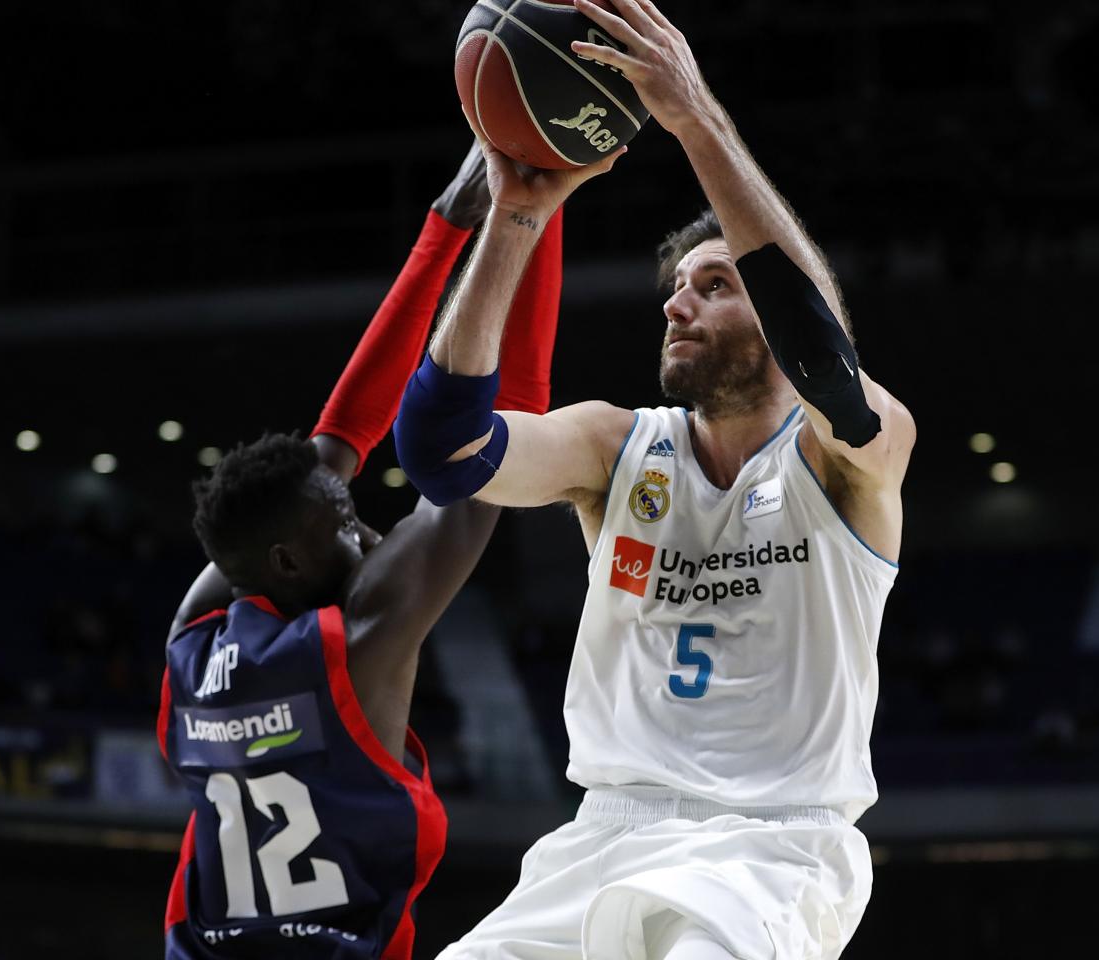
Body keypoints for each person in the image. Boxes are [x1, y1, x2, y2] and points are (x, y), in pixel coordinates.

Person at [392, 2, 916, 958]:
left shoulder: (853, 453)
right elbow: (441, 450)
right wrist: (516, 216)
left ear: (775, 312)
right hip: (601, 838)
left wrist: (695, 119)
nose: (678, 303)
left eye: (715, 284)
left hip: (772, 850)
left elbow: (825, 358)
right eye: (676, 287)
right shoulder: (614, 447)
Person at [157, 143, 594, 960]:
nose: (367, 529)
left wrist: (451, 222)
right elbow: (504, 440)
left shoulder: (193, 645)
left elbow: (333, 449)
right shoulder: (361, 639)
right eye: (346, 523)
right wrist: (532, 209)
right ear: (288, 562)